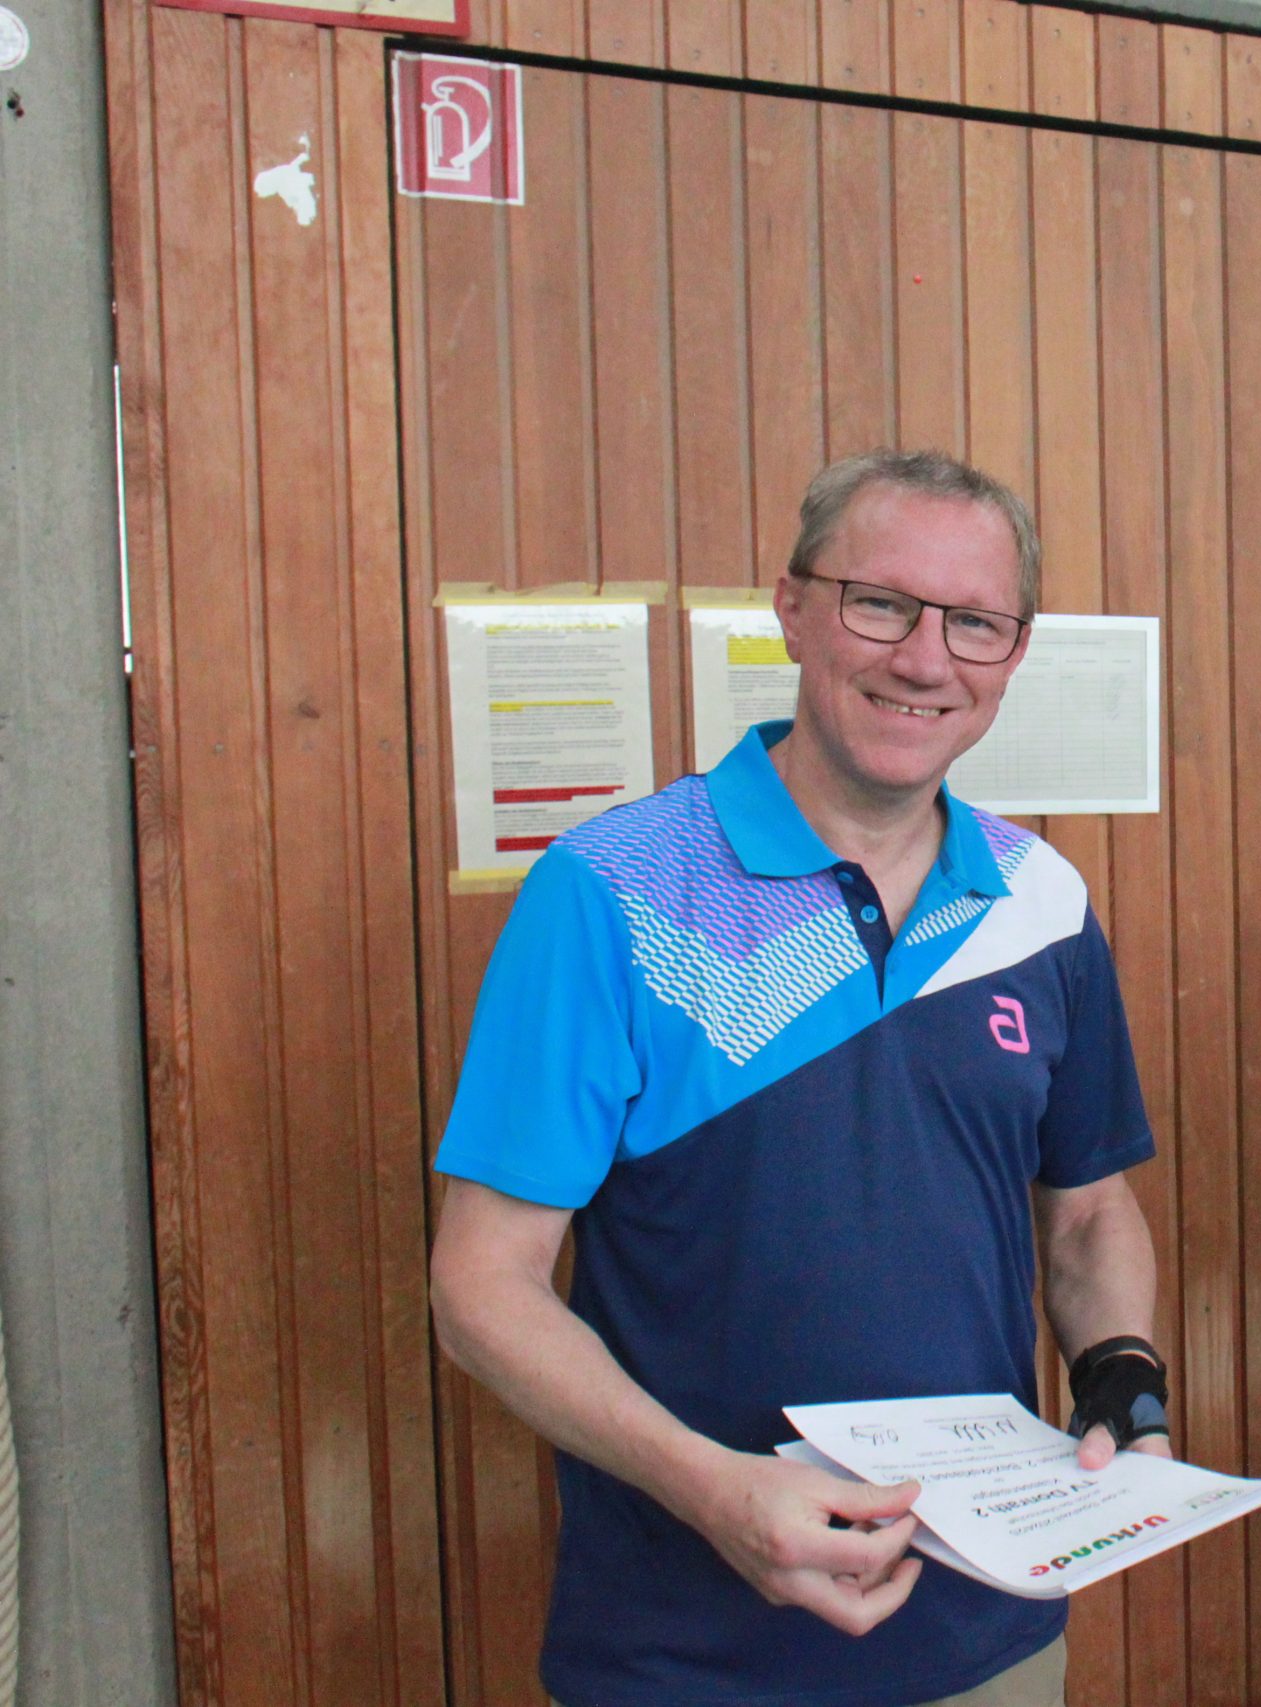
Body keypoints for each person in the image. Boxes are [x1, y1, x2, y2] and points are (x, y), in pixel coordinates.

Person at [428, 449, 1169, 1707]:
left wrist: (1122, 1370)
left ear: (1014, 652)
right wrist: (714, 1489)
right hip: (686, 1660)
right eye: (879, 604)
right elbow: (480, 1287)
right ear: (792, 608)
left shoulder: (1041, 901)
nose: (924, 659)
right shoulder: (609, 892)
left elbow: (1089, 1208)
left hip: (987, 1632)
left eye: (974, 623)